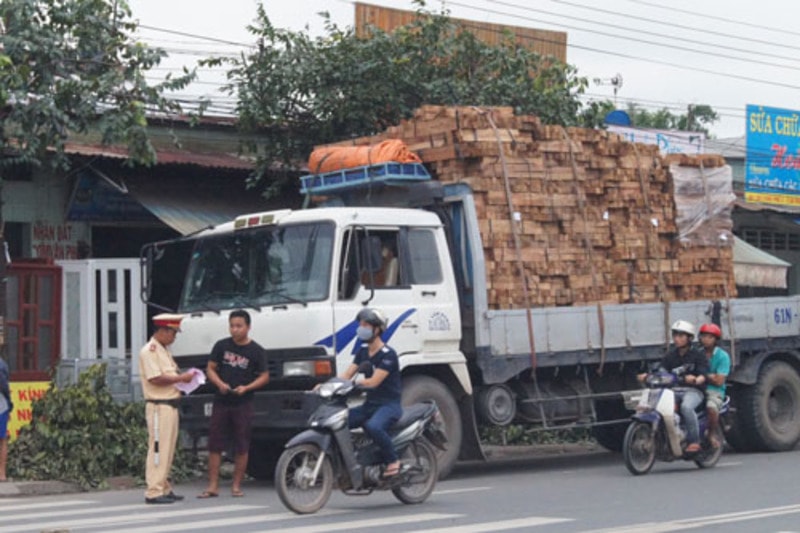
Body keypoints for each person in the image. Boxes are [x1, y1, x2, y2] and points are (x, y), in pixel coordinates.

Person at [199, 310, 269, 499]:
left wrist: (247, 388)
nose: (235, 330)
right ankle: (213, 485)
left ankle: (236, 486)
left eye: (239, 326)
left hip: (243, 403)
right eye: (232, 326)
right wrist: (220, 384)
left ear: (248, 327)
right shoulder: (221, 346)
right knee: (215, 444)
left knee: (241, 444)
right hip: (221, 401)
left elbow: (264, 376)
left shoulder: (256, 351)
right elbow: (211, 369)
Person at [139, 313, 195, 504]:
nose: (174, 337)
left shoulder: (164, 350)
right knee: (157, 449)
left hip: (169, 405)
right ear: (163, 330)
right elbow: (155, 378)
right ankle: (153, 491)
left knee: (168, 449)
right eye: (173, 333)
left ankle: (163, 486)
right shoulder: (150, 350)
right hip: (158, 406)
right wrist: (181, 379)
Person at [341, 308, 403, 478]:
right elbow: (346, 375)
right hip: (370, 405)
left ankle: (393, 460)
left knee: (373, 426)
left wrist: (354, 384)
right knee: (340, 423)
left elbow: (374, 382)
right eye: (360, 324)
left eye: (366, 325)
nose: (362, 328)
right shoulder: (362, 351)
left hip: (389, 405)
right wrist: (326, 385)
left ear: (378, 329)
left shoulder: (388, 355)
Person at [639, 320, 708, 453]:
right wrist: (647, 376)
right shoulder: (671, 355)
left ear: (689, 338)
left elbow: (703, 373)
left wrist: (696, 379)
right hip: (673, 391)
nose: (677, 339)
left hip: (694, 391)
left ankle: (694, 441)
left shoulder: (698, 355)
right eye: (675, 335)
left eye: (681, 336)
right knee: (657, 407)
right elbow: (661, 370)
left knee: (686, 407)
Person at [698, 323, 731, 449]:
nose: (706, 339)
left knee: (711, 407)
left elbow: (719, 381)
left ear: (716, 340)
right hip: (697, 388)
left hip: (715, 391)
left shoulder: (723, 356)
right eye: (704, 336)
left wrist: (704, 376)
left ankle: (711, 434)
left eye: (710, 337)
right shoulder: (697, 353)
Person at [0, 354, 11, 482]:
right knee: (2, 440)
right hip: (1, 406)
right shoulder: (2, 364)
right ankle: (2, 474)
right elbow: (5, 388)